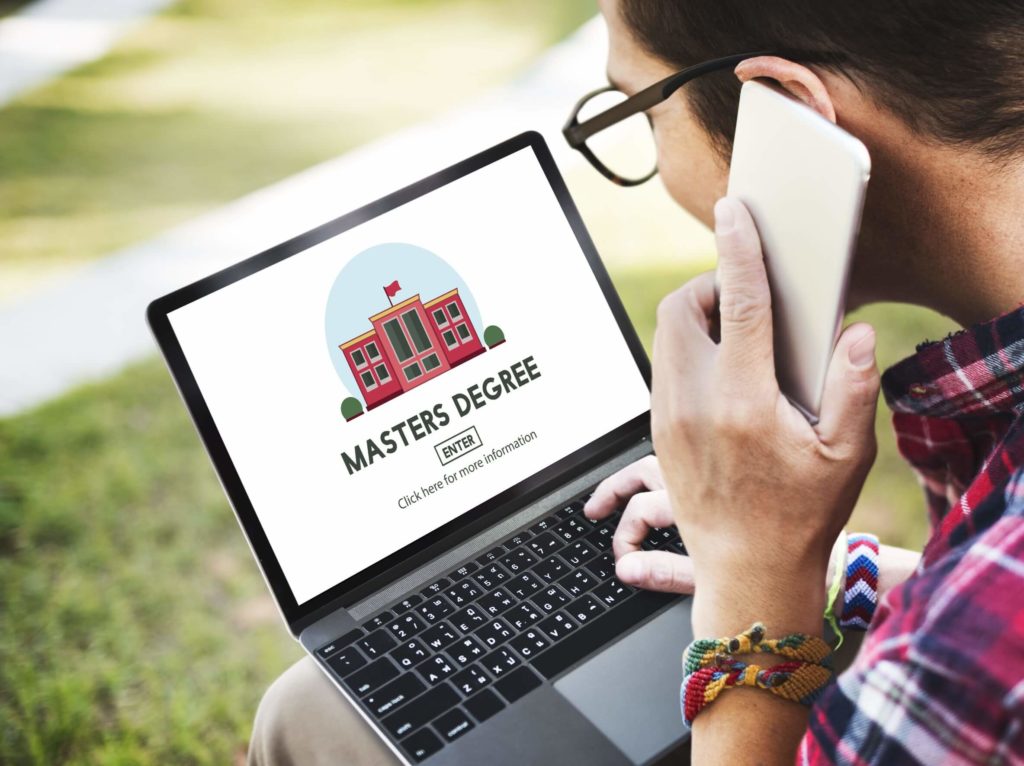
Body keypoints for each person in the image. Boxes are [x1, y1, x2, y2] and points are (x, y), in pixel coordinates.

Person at [248, 1, 1024, 763]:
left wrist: (753, 585)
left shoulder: (971, 662)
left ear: (792, 121)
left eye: (644, 113)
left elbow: (971, 637)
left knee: (303, 717)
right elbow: (966, 593)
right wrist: (824, 571)